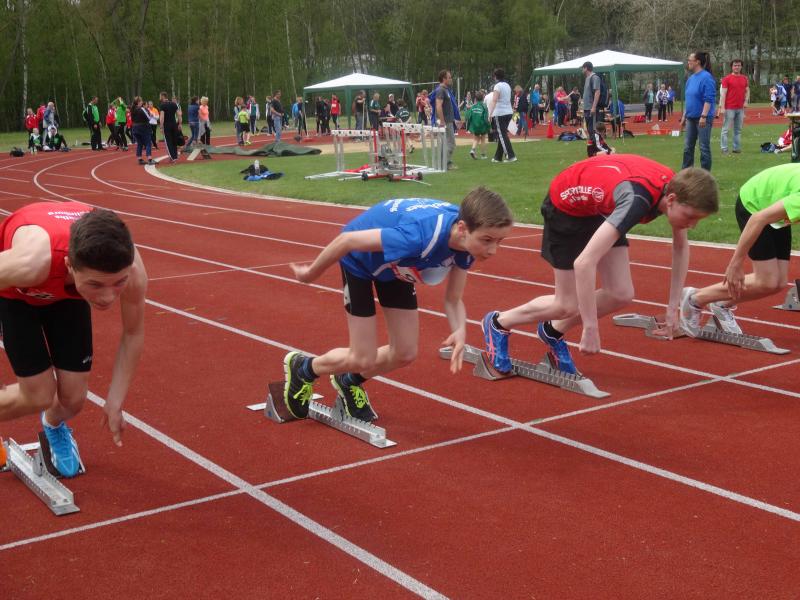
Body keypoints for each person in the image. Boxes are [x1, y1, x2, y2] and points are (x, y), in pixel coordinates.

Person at [281, 189, 514, 422]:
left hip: (396, 267)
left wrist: (460, 330)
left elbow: (453, 299)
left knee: (405, 353)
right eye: (487, 240)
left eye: (499, 241)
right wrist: (310, 274)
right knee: (362, 358)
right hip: (359, 262)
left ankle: (348, 380)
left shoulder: (466, 244)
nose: (493, 250)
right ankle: (304, 368)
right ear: (462, 228)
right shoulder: (418, 236)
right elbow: (347, 241)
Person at [481, 155, 719, 374]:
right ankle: (498, 322)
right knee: (565, 305)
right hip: (566, 208)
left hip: (599, 207)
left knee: (620, 293)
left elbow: (680, 248)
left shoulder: (676, 189)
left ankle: (553, 330)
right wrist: (590, 328)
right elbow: (584, 263)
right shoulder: (637, 200)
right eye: (690, 217)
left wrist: (672, 308)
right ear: (672, 199)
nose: (692, 225)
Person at [0, 202, 147, 476]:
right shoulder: (29, 262)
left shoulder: (131, 270)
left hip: (67, 294)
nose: (107, 297)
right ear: (70, 264)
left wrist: (115, 400)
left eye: (118, 283)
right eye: (96, 285)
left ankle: (53, 424)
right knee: (38, 394)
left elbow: (133, 332)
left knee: (74, 399)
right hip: (14, 293)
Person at [680, 164, 799, 337]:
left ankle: (721, 304)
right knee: (766, 281)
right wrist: (735, 263)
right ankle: (694, 299)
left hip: (775, 205)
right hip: (754, 206)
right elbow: (758, 219)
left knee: (778, 283)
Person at [680, 51, 716, 171]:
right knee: (687, 147)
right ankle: (686, 173)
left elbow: (709, 99)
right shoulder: (690, 79)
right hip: (690, 118)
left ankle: (705, 175)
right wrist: (684, 116)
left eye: (690, 60)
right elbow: (689, 99)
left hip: (702, 118)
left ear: (697, 62)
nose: (688, 62)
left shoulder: (706, 78)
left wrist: (703, 116)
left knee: (704, 147)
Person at [718, 59, 749, 155]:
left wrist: (746, 101)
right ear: (732, 67)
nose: (737, 67)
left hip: (740, 108)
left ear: (741, 67)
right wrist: (722, 107)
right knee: (725, 129)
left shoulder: (744, 78)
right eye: (735, 65)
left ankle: (736, 148)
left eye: (739, 65)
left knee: (738, 130)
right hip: (729, 108)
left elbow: (747, 90)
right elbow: (723, 94)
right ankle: (724, 148)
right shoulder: (726, 79)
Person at [433, 70, 459, 170]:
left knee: (445, 144)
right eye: (449, 77)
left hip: (448, 120)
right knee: (451, 144)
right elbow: (438, 106)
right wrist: (442, 121)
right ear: (444, 79)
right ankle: (445, 164)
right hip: (445, 121)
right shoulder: (441, 90)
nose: (451, 79)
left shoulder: (445, 90)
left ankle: (444, 164)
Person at [489, 68, 516, 163]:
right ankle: (498, 157)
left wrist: (490, 113)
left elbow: (494, 100)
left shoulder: (497, 86)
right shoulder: (508, 85)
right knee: (503, 134)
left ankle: (510, 155)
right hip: (508, 112)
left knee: (502, 134)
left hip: (500, 113)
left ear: (495, 77)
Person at [466, 90, 490, 159]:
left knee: (476, 139)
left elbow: (468, 116)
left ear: (475, 99)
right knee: (483, 139)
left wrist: (468, 127)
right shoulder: (484, 106)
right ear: (483, 98)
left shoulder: (473, 106)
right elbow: (485, 118)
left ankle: (472, 150)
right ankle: (483, 155)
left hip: (474, 126)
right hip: (482, 125)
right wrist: (489, 126)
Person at [581, 61, 604, 134]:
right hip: (587, 108)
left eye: (582, 68)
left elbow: (597, 92)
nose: (582, 70)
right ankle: (592, 141)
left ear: (586, 68)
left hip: (591, 108)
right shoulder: (587, 78)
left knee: (593, 130)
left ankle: (595, 141)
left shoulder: (595, 77)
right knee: (589, 129)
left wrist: (593, 107)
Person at [131, 96, 154, 165]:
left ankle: (140, 159)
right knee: (148, 142)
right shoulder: (141, 109)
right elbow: (148, 118)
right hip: (143, 127)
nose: (142, 102)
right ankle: (149, 159)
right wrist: (151, 115)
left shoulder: (132, 109)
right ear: (138, 102)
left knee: (140, 143)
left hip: (134, 128)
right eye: (141, 101)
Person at [159, 91, 182, 161]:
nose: (159, 97)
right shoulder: (174, 104)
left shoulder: (162, 105)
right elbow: (179, 115)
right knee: (174, 140)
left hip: (167, 125)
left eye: (160, 96)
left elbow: (162, 117)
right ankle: (175, 156)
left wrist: (161, 127)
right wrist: (180, 124)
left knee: (168, 141)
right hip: (174, 124)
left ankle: (173, 157)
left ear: (163, 96)